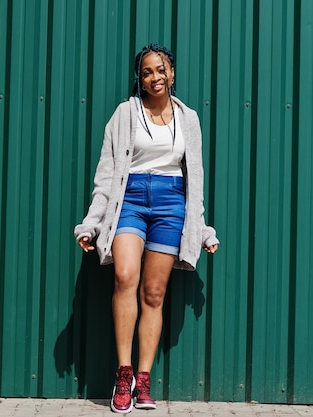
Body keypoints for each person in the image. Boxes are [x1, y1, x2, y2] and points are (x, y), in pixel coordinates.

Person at [74, 43, 219, 413]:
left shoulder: (188, 119)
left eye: (161, 70)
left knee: (154, 293)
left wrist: (201, 230)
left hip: (172, 204)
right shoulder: (125, 114)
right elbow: (107, 175)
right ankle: (123, 375)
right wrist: (91, 223)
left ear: (172, 73)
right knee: (124, 276)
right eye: (147, 72)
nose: (155, 77)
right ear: (139, 78)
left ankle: (143, 381)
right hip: (131, 200)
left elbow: (195, 180)